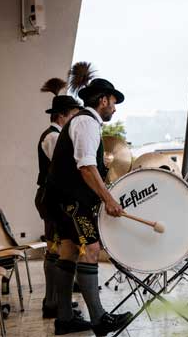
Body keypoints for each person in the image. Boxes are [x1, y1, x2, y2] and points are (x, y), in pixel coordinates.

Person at [46, 62, 132, 335]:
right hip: (72, 201)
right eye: (113, 102)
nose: (115, 108)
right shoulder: (86, 122)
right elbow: (85, 166)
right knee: (92, 250)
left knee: (69, 250)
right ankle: (99, 320)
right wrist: (108, 199)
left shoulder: (80, 121)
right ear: (103, 100)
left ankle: (64, 318)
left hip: (62, 198)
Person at [35, 78, 81, 318]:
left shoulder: (56, 135)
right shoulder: (53, 137)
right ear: (63, 115)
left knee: (55, 249)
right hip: (50, 197)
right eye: (74, 114)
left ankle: (53, 300)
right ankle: (51, 302)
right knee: (54, 249)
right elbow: (60, 170)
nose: (76, 119)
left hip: (50, 197)